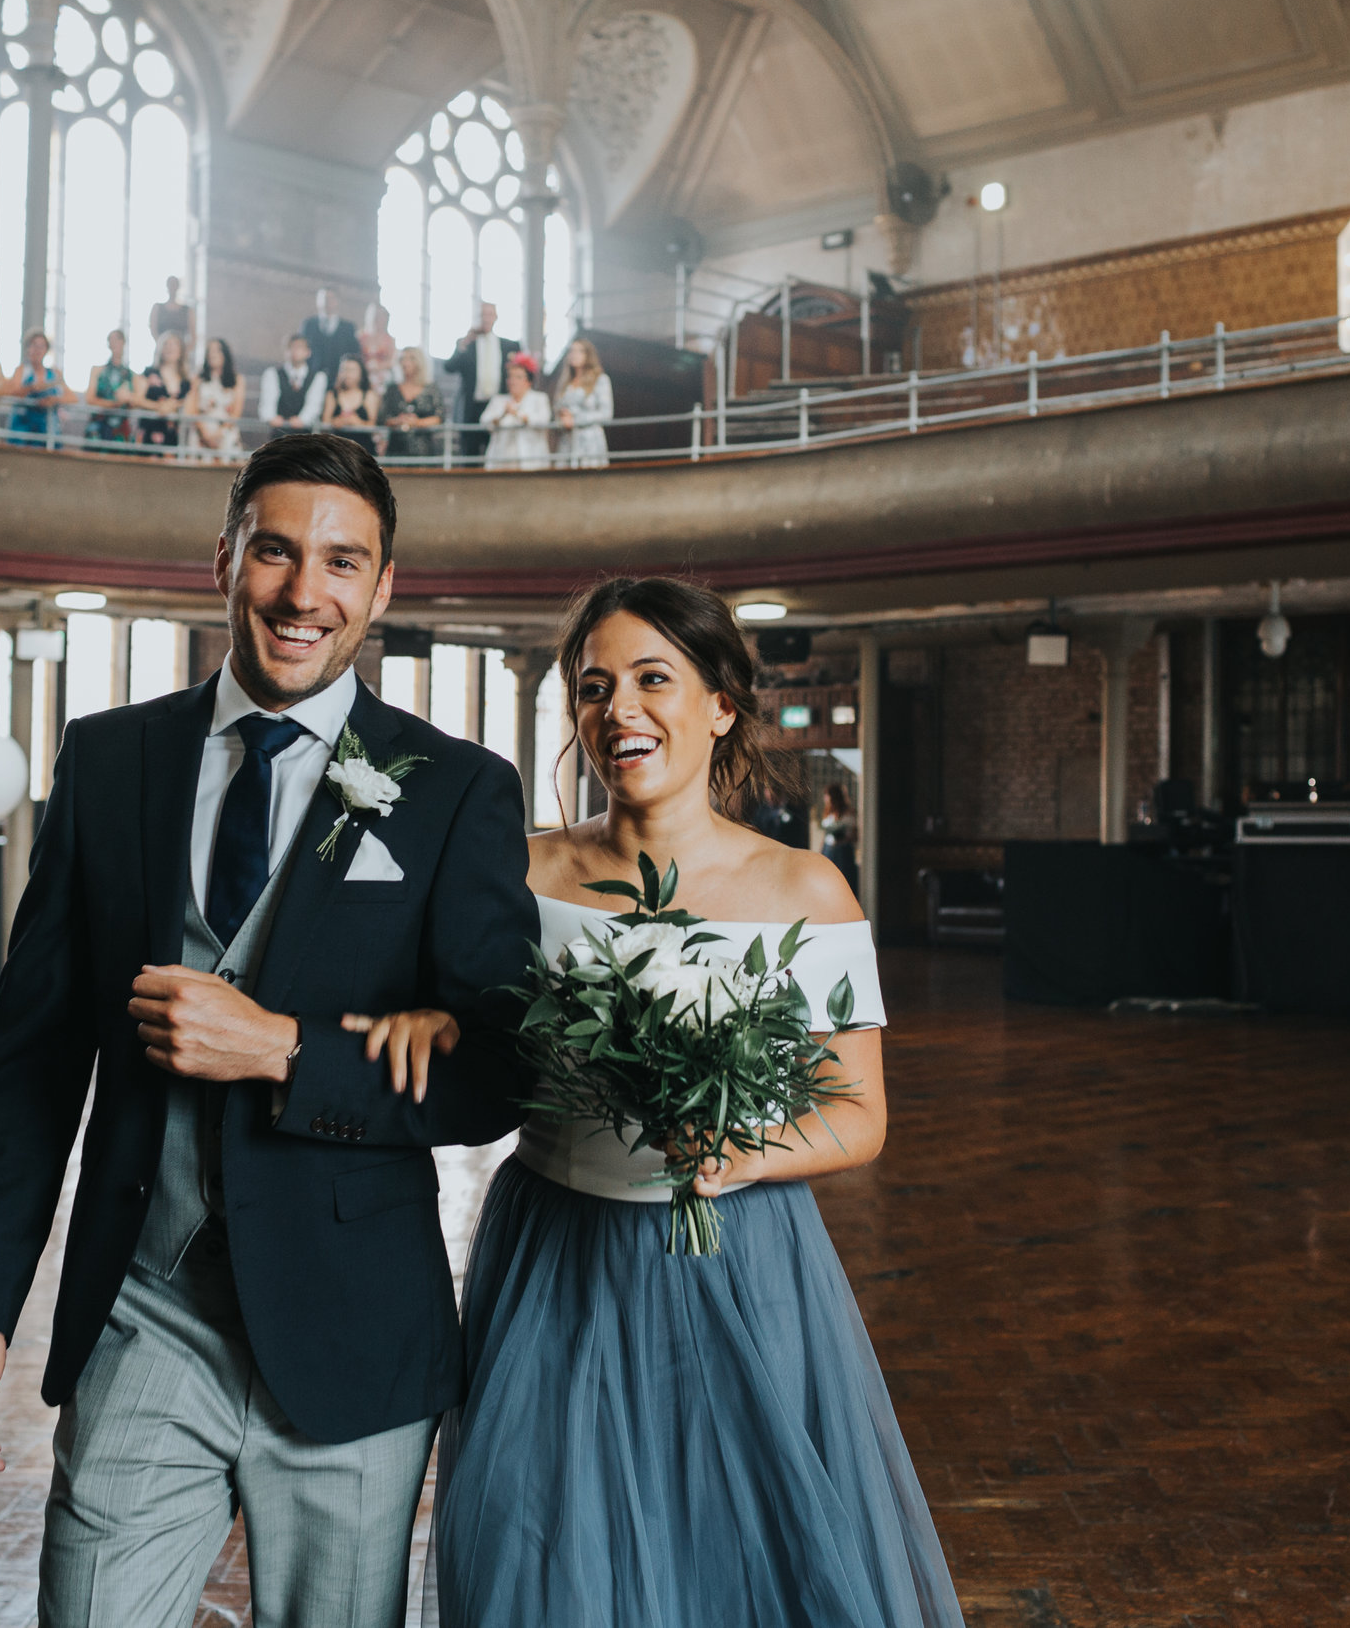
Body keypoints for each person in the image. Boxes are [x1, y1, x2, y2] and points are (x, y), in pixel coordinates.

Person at [0, 432, 539, 1628]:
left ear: (382, 589)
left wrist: (281, 1051)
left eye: (341, 563)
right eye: (274, 550)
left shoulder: (454, 786)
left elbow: (501, 1068)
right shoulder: (109, 763)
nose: (304, 593)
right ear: (224, 560)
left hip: (354, 1335)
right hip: (147, 1316)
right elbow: (31, 1065)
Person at [354, 576, 963, 1628]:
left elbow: (859, 1117)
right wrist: (430, 1022)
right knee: (544, 1553)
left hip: (741, 1257)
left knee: (741, 1558)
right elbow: (463, 1031)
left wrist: (744, 1149)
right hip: (556, 1257)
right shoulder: (517, 871)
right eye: (593, 687)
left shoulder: (805, 892)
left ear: (720, 701)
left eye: (651, 678)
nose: (617, 709)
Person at [440, 302, 519, 459]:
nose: (486, 318)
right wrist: (464, 343)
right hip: (472, 408)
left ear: (496, 317)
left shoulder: (510, 346)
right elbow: (449, 367)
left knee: (497, 453)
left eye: (489, 314)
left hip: (498, 407)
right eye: (483, 315)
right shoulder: (467, 344)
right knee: (470, 455)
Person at [478, 351, 552, 471]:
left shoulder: (540, 399)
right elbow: (485, 422)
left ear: (528, 381)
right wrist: (503, 414)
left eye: (518, 377)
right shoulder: (499, 400)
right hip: (501, 462)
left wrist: (518, 414)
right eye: (510, 376)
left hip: (531, 462)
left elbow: (543, 421)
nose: (513, 381)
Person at [3, 328, 72, 446]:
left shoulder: (55, 373)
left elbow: (72, 397)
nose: (37, 350)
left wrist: (54, 400)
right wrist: (30, 388)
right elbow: (11, 393)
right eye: (34, 345)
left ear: (46, 350)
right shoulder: (21, 371)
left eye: (41, 346)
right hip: (22, 428)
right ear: (28, 348)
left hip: (47, 430)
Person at [554, 337, 614, 468]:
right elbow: (557, 412)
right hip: (567, 443)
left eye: (579, 351)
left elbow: (606, 413)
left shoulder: (600, 380)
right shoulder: (565, 383)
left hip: (590, 442)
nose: (574, 355)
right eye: (571, 351)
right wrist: (562, 419)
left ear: (588, 355)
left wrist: (576, 420)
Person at [376, 347, 441, 461]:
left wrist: (418, 422)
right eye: (402, 359)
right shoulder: (392, 389)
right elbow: (382, 418)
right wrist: (398, 421)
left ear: (419, 362)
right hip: (396, 449)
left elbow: (439, 416)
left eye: (410, 359)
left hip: (423, 450)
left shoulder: (431, 389)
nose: (405, 363)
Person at [260, 333, 324, 438]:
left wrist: (303, 419)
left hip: (305, 435)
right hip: (278, 434)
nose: (294, 351)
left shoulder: (318, 377)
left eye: (298, 347)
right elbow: (267, 401)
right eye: (290, 347)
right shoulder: (272, 373)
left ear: (308, 352)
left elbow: (314, 404)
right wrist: (271, 417)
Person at [140, 329, 193, 454]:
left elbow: (191, 408)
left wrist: (173, 406)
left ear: (181, 351)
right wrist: (159, 406)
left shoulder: (187, 381)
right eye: (166, 344)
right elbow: (137, 399)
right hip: (149, 432)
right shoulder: (149, 373)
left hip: (175, 437)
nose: (170, 348)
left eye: (174, 344)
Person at [194, 335, 247, 456]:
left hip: (226, 433)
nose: (213, 354)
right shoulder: (198, 379)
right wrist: (205, 434)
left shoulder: (237, 380)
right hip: (202, 433)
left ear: (225, 353)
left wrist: (219, 434)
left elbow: (236, 412)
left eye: (217, 350)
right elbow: (193, 410)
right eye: (210, 350)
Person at [87, 329, 139, 450]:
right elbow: (90, 398)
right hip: (99, 425)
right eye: (112, 340)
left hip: (121, 429)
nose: (116, 344)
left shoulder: (131, 375)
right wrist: (113, 404)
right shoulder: (97, 370)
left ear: (124, 343)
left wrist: (128, 400)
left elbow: (136, 402)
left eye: (118, 340)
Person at [300, 287, 360, 390]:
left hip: (338, 379)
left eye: (331, 298)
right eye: (323, 298)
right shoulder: (309, 324)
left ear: (337, 301)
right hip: (311, 378)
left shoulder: (348, 328)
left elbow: (353, 353)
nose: (327, 302)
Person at [320, 355, 378, 451]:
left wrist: (357, 422)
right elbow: (325, 423)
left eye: (352, 370)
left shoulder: (369, 395)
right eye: (344, 369)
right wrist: (335, 422)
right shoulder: (332, 395)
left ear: (361, 373)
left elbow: (373, 425)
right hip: (336, 450)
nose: (348, 374)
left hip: (363, 449)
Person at [819, 781, 858, 892]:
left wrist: (842, 839)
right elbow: (825, 836)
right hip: (828, 850)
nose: (825, 799)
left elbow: (854, 835)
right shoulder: (828, 812)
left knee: (843, 883)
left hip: (842, 852)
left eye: (827, 795)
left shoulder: (848, 813)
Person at [357, 299, 397, 393]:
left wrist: (378, 366)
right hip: (364, 371)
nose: (378, 319)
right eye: (376, 316)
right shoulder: (361, 337)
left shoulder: (389, 340)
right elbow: (357, 356)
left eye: (381, 317)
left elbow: (392, 361)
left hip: (382, 372)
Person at [149, 275, 192, 352]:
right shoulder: (157, 307)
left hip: (181, 353)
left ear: (178, 287)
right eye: (171, 284)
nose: (173, 287)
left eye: (175, 284)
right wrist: (163, 348)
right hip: (161, 350)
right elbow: (153, 330)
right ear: (167, 286)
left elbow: (193, 335)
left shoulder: (187, 310)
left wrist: (184, 352)